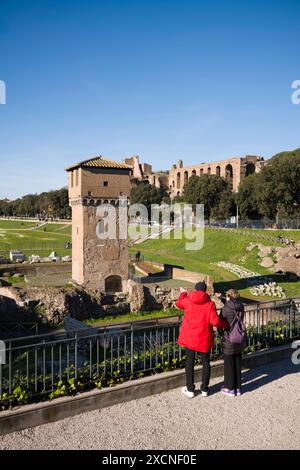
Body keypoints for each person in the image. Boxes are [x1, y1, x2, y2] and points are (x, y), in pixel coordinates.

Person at [176, 282, 229, 398]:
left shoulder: (188, 300)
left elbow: (179, 304)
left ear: (195, 290)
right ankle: (204, 389)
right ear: (205, 291)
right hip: (203, 338)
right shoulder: (210, 304)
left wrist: (183, 293)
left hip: (190, 337)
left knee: (189, 363)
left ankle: (190, 389)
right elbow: (215, 322)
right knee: (205, 363)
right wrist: (226, 323)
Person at [216, 289, 245, 397]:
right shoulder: (241, 306)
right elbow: (233, 307)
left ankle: (229, 388)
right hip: (239, 337)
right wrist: (222, 298)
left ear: (229, 296)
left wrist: (220, 333)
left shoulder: (226, 308)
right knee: (237, 362)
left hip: (229, 338)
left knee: (229, 364)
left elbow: (220, 322)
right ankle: (237, 388)